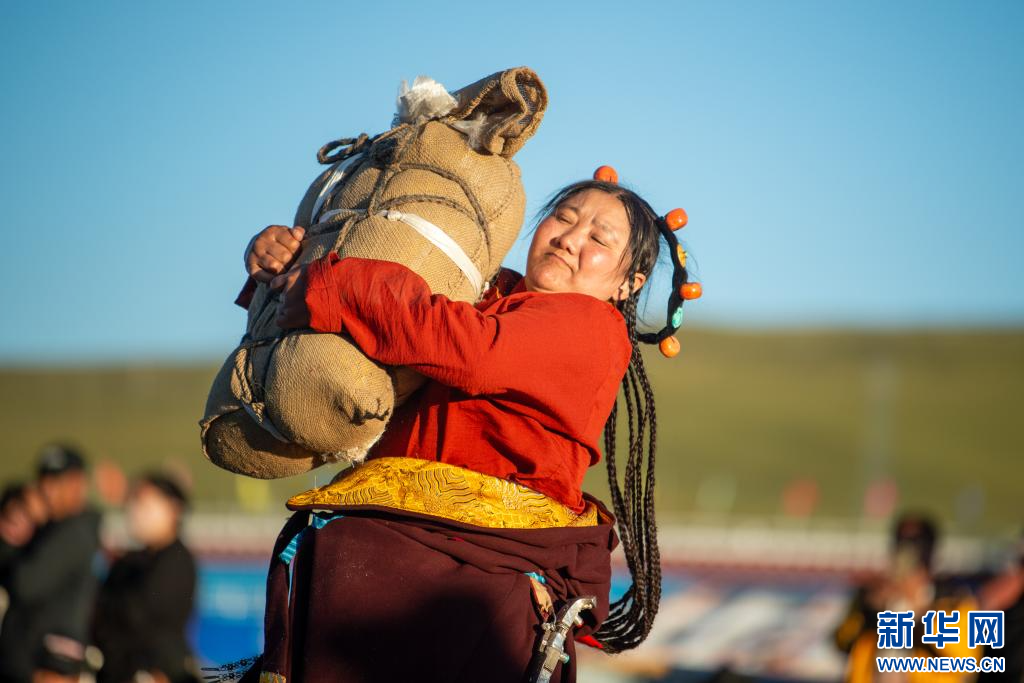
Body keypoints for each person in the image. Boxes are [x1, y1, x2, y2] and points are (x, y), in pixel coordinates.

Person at [225, 171, 693, 683]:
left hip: (470, 590)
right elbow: (393, 302)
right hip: (373, 564)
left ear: (629, 283)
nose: (569, 238)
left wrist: (329, 282)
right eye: (563, 217)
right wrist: (287, 265)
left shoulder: (593, 326)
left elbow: (466, 347)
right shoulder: (484, 291)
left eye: (599, 238)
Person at [834, 512, 981, 683]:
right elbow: (841, 642)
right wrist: (868, 611)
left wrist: (921, 613)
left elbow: (966, 664)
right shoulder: (872, 599)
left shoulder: (955, 603)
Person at [0, 445, 101, 683]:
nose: (47, 491)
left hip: (47, 667)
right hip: (27, 663)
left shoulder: (73, 532)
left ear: (78, 483)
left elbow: (25, 584)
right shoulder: (52, 529)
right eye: (43, 482)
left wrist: (13, 538)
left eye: (57, 483)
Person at [92, 473, 199, 683]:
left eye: (144, 503)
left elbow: (138, 618)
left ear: (173, 509)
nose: (135, 512)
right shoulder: (130, 561)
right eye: (133, 502)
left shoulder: (177, 561)